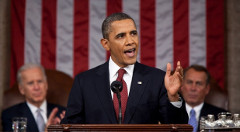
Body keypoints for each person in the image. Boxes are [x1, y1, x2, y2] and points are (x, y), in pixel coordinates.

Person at [61, 12, 188, 124]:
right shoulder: (84, 82)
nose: (130, 41)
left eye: (133, 33)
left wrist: (173, 97)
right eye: (121, 36)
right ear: (106, 44)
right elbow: (72, 125)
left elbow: (176, 127)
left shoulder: (157, 79)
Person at [1, 63, 66, 132]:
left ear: (46, 85)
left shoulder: (63, 114)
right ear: (21, 89)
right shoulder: (12, 115)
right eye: (30, 83)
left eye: (40, 81)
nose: (37, 87)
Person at [181, 64, 227, 131]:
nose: (193, 88)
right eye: (189, 82)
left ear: (207, 89)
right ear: (182, 86)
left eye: (198, 83)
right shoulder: (168, 113)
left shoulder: (221, 118)